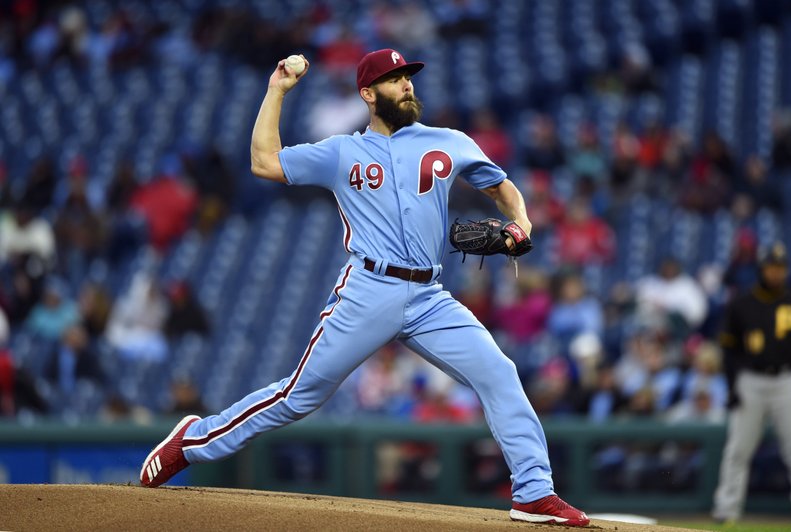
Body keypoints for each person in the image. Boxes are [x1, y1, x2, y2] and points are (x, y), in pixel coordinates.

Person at [139, 48, 589, 527]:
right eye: (395, 79)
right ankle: (192, 440)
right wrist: (276, 91)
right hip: (368, 289)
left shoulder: (448, 141)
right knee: (298, 397)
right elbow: (264, 162)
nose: (407, 85)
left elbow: (501, 187)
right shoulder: (341, 151)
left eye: (408, 77)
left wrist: (521, 223)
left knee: (499, 372)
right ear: (368, 94)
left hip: (429, 297)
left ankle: (534, 493)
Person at [712, 242, 791, 524]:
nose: (776, 273)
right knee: (738, 449)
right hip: (751, 380)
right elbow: (729, 350)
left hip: (788, 379)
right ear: (761, 269)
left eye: (780, 268)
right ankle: (726, 512)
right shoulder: (742, 304)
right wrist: (732, 386)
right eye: (771, 268)